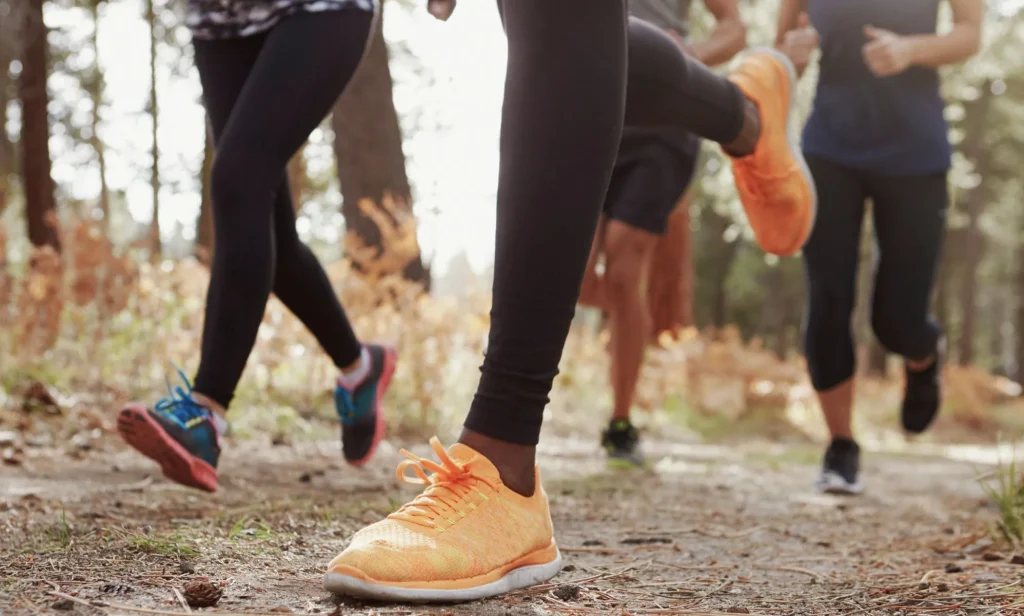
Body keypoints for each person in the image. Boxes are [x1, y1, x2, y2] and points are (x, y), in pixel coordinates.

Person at [321, 0, 820, 602]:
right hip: (609, 109)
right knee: (558, 30)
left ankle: (503, 458)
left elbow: (727, 22)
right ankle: (746, 114)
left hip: (659, 144)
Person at [116, 0, 397, 493]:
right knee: (272, 235)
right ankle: (360, 365)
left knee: (238, 176)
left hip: (320, 9)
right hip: (219, 20)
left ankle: (206, 415)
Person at [777, 0, 982, 495]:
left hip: (916, 153)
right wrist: (792, 52)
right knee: (829, 298)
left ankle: (922, 354)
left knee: (896, 318)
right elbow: (782, 48)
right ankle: (841, 444)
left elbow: (970, 33)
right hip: (829, 148)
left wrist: (912, 48)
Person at [577, 0, 749, 469]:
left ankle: (620, 419)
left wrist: (687, 56)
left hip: (664, 120)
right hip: (592, 105)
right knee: (572, 272)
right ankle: (523, 407)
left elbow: (734, 27)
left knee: (624, 266)